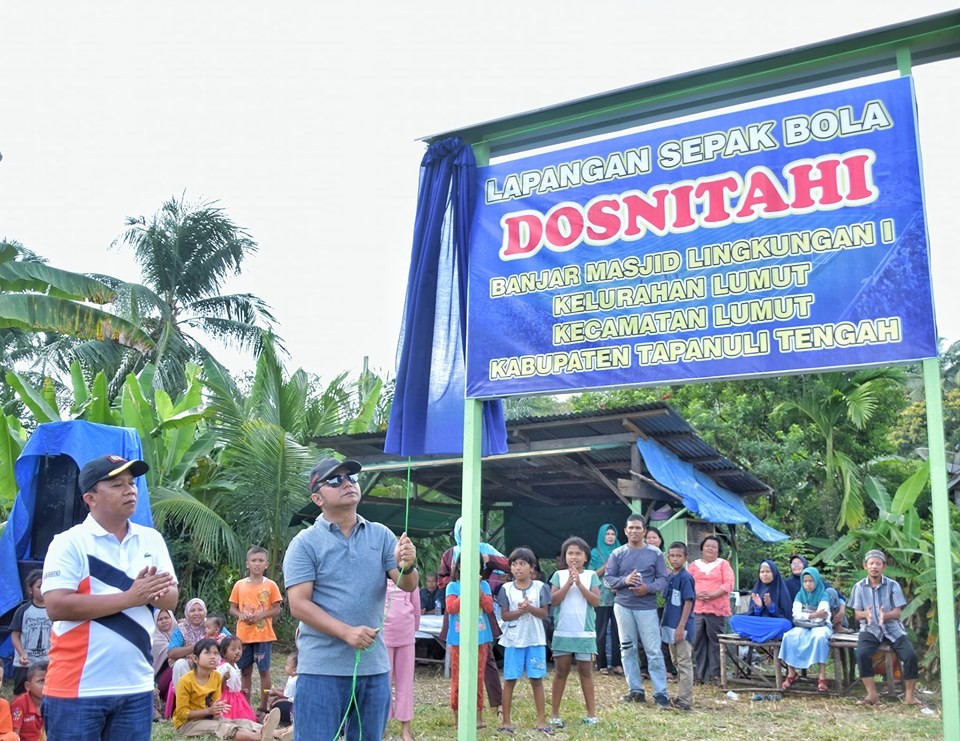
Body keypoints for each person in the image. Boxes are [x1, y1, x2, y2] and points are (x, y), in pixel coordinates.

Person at [41, 454, 178, 741]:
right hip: (77, 689)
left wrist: (152, 594)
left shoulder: (151, 539)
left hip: (136, 687)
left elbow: (170, 598)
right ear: (90, 498)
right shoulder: (69, 542)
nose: (130, 490)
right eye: (116, 485)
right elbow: (56, 605)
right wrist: (131, 597)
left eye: (131, 483)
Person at [283, 457, 418, 741]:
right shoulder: (305, 543)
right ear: (317, 498)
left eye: (351, 478)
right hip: (322, 669)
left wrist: (409, 565)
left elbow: (406, 584)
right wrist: (347, 632)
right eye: (335, 480)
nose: (347, 483)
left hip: (374, 668)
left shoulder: (380, 535)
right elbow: (299, 604)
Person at [437, 517, 507, 716]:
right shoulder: (450, 554)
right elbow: (442, 581)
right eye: (464, 531)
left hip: (482, 614)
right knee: (460, 667)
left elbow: (509, 565)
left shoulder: (485, 549)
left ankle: (498, 704)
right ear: (458, 532)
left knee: (488, 661)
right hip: (458, 615)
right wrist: (459, 581)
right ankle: (460, 711)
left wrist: (488, 561)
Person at [604, 515, 670, 708]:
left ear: (644, 531)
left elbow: (663, 579)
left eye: (638, 528)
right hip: (623, 606)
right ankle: (635, 690)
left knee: (653, 650)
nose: (634, 531)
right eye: (630, 528)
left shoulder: (655, 553)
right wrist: (625, 581)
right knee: (627, 648)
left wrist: (647, 588)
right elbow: (608, 579)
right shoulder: (617, 553)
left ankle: (661, 693)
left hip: (647, 607)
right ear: (625, 531)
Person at [848, 549, 922, 707]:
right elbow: (856, 614)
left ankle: (910, 697)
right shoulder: (859, 587)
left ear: (884, 567)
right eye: (871, 563)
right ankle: (872, 695)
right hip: (870, 629)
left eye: (878, 564)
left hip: (892, 628)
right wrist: (866, 615)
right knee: (862, 655)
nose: (874, 566)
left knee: (910, 656)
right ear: (865, 566)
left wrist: (885, 616)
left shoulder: (893, 585)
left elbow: (897, 612)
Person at [173, 638, 283, 740]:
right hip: (187, 724)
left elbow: (215, 705)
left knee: (240, 722)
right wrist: (209, 711)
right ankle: (258, 737)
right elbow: (182, 713)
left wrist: (215, 711)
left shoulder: (216, 677)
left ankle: (278, 733)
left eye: (215, 653)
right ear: (195, 659)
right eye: (207, 653)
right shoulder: (186, 681)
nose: (212, 656)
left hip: (209, 718)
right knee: (223, 726)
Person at [496, 547, 552, 734]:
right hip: (513, 640)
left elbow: (544, 613)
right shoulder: (505, 589)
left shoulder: (540, 588)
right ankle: (506, 721)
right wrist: (520, 611)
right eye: (514, 564)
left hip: (535, 640)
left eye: (522, 564)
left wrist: (530, 608)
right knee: (510, 679)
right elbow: (504, 616)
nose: (517, 568)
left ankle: (542, 721)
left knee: (537, 679)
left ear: (532, 567)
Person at [550, 536, 601, 728]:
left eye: (578, 553)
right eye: (570, 553)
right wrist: (568, 584)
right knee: (561, 671)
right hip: (563, 630)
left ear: (586, 557)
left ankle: (591, 714)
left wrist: (579, 584)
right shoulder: (558, 575)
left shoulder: (591, 576)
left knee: (585, 671)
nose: (574, 557)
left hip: (584, 633)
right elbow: (553, 600)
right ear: (564, 556)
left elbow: (596, 601)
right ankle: (554, 714)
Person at [230, 546, 283, 714]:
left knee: (264, 671)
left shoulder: (271, 585)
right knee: (245, 670)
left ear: (266, 564)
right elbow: (232, 608)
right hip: (244, 636)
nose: (257, 564)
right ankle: (245, 707)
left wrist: (262, 615)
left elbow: (277, 609)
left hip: (263, 635)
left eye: (261, 561)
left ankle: (263, 707)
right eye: (254, 561)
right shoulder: (239, 585)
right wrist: (241, 615)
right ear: (247, 564)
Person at [446, 555, 495, 730]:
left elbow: (488, 607)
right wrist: (467, 588)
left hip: (480, 638)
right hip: (458, 640)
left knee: (478, 677)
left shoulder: (484, 585)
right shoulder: (453, 586)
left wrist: (477, 588)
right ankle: (458, 717)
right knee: (458, 679)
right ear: (458, 566)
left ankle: (477, 716)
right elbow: (451, 608)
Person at [688, 534, 734, 684]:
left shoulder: (723, 565)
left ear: (718, 550)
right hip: (697, 609)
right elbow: (687, 583)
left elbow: (728, 584)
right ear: (702, 548)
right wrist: (697, 594)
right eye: (707, 546)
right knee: (697, 641)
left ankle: (715, 675)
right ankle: (699, 675)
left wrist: (713, 594)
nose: (710, 548)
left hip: (717, 609)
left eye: (714, 547)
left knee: (715, 642)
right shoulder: (693, 565)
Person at [780, 566, 833, 692]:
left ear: (816, 581)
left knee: (819, 637)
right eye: (805, 581)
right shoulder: (800, 595)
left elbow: (821, 618)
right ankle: (791, 673)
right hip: (802, 625)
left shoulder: (823, 594)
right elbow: (796, 614)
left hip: (821, 626)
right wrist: (813, 614)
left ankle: (821, 676)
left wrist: (806, 615)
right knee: (789, 636)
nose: (808, 584)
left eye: (811, 581)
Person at [383, 576, 420, 741]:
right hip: (383, 634)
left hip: (406, 632)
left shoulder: (410, 574)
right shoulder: (379, 572)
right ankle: (381, 725)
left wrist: (414, 628)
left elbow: (416, 604)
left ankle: (406, 729)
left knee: (405, 682)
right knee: (382, 683)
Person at [168, 598, 231, 692]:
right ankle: (185, 701)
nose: (197, 613)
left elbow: (231, 641)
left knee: (224, 666)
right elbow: (172, 653)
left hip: (213, 663)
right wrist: (196, 647)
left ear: (205, 611)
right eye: (192, 610)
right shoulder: (182, 628)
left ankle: (217, 700)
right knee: (180, 664)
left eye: (200, 610)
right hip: (191, 663)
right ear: (187, 613)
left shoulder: (212, 623)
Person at [661, 542, 695, 711]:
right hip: (669, 624)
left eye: (678, 556)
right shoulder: (671, 576)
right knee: (676, 661)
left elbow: (688, 601)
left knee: (684, 662)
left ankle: (685, 700)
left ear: (685, 558)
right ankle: (681, 695)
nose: (675, 559)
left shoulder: (685, 577)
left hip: (682, 626)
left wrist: (681, 626)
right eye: (672, 556)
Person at [729, 560, 794, 642]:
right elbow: (752, 614)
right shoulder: (757, 589)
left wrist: (771, 607)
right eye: (762, 572)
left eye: (768, 571)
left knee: (785, 624)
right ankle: (763, 635)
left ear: (774, 573)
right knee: (734, 619)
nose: (765, 574)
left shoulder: (781, 589)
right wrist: (758, 608)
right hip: (760, 622)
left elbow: (786, 615)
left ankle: (753, 635)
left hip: (773, 623)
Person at [10, 569, 51, 696]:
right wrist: (22, 653)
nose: (43, 590)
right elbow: (15, 635)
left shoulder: (54, 610)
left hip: (47, 663)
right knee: (21, 695)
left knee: (45, 694)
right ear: (30, 589)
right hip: (25, 664)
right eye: (39, 586)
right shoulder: (23, 611)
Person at [589, 524, 622, 676]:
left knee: (619, 631)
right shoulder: (595, 553)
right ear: (602, 536)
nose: (610, 537)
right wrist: (607, 565)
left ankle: (617, 664)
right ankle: (601, 664)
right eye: (607, 534)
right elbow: (592, 575)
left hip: (618, 597)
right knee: (600, 632)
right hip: (601, 598)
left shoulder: (621, 551)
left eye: (613, 534)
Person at [218, 635, 258, 722]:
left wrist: (241, 690)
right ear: (224, 653)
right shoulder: (225, 667)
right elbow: (218, 687)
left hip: (236, 697)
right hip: (227, 699)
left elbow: (234, 684)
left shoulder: (235, 666)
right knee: (231, 717)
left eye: (239, 649)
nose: (237, 652)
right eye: (233, 649)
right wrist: (224, 679)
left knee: (244, 717)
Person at [10, 660, 46, 741]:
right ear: (28, 686)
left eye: (49, 680)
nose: (45, 685)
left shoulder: (51, 703)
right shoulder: (20, 704)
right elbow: (14, 735)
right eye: (41, 681)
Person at [152, 608, 177, 705]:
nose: (164, 621)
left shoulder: (180, 633)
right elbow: (172, 652)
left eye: (167, 618)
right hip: (159, 680)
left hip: (173, 677)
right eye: (160, 619)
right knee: (178, 666)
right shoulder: (155, 640)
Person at [267, 651, 297, 727]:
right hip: (292, 701)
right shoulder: (293, 678)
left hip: (292, 704)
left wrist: (275, 692)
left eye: (287, 665)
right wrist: (278, 690)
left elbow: (286, 696)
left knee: (275, 703)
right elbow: (287, 690)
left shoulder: (293, 681)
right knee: (275, 700)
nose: (285, 667)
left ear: (294, 670)